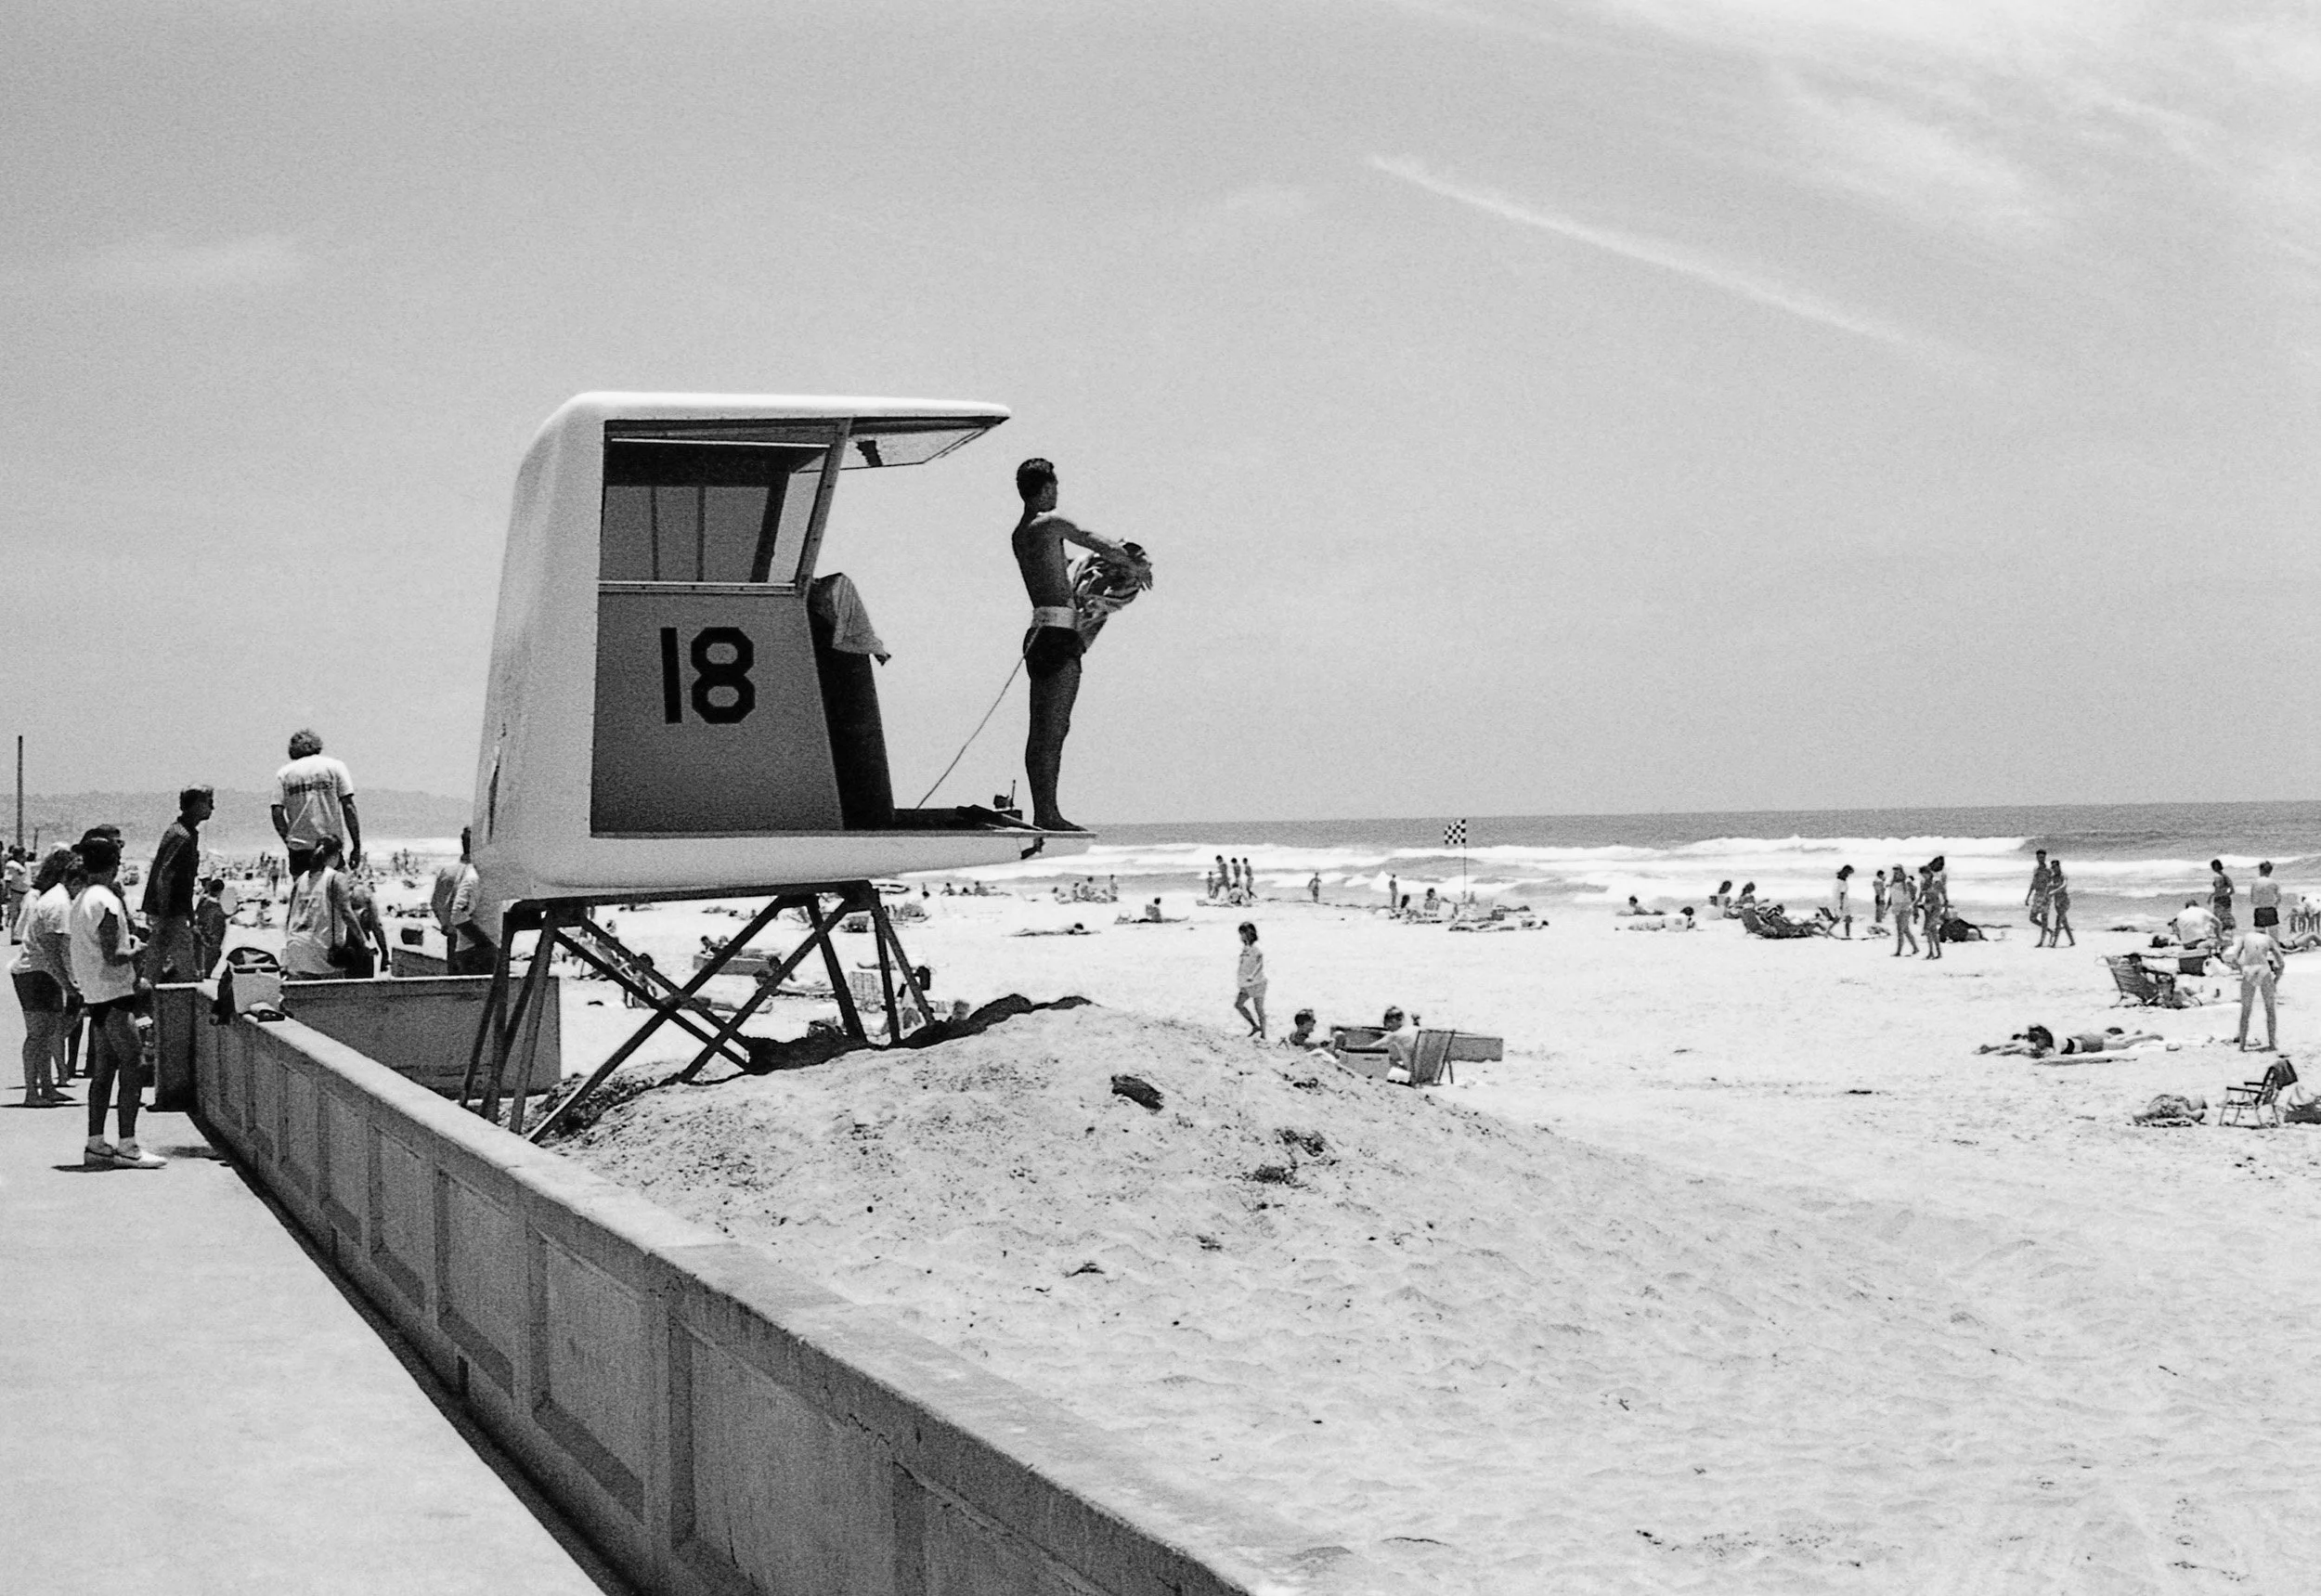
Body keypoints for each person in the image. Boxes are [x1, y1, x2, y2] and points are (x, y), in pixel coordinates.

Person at [1009, 458, 1149, 833]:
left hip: (1044, 632)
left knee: (1046, 728)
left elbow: (1060, 570)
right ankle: (1047, 814)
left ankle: (1046, 811)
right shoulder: (1049, 522)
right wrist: (1136, 564)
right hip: (1055, 636)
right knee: (1052, 730)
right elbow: (1096, 541)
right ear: (1048, 487)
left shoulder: (1022, 532)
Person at [67, 837, 163, 1168]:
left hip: (96, 996)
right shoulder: (105, 901)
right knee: (134, 1066)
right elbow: (114, 955)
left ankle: (96, 1143)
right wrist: (139, 950)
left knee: (104, 1071)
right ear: (113, 863)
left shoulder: (82, 898)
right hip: (114, 995)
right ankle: (128, 1145)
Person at [11, 848, 79, 1106]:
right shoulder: (58, 903)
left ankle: (47, 1087)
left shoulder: (56, 898)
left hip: (42, 974)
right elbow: (52, 949)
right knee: (38, 1034)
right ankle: (32, 1092)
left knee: (49, 1032)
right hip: (37, 974)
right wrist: (68, 984)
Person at [140, 784, 214, 984]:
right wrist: (164, 918)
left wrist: (191, 918)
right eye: (208, 802)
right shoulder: (181, 836)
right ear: (197, 804)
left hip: (173, 912)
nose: (212, 808)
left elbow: (184, 883)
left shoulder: (184, 832)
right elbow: (166, 876)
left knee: (154, 968)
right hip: (169, 914)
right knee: (187, 972)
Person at [271, 729, 362, 877]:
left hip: (300, 848)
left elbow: (276, 812)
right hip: (330, 845)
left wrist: (288, 840)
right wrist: (356, 845)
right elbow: (349, 806)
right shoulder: (335, 766)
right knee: (335, 893)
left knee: (303, 895)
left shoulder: (285, 773)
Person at [281, 837, 357, 979]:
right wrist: (365, 942)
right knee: (330, 996)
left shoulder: (301, 879)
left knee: (303, 995)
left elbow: (290, 915)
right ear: (337, 854)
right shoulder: (336, 878)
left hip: (295, 943)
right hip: (322, 948)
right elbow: (346, 913)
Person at [2226, 922, 2284, 1051]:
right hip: (2264, 968)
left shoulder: (2246, 937)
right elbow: (2281, 962)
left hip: (2248, 969)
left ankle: (2241, 1046)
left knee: (2246, 1011)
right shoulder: (2269, 939)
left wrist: (2242, 970)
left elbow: (2234, 958)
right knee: (2270, 1009)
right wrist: (2276, 980)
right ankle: (2272, 1043)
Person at [1233, 921, 1267, 1039]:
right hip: (1245, 984)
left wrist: (1252, 975)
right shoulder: (1245, 947)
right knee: (1238, 1004)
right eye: (1241, 933)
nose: (1242, 936)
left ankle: (1263, 1034)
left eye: (1244, 933)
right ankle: (1254, 1026)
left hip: (1257, 983)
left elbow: (1259, 963)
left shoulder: (1256, 946)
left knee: (1259, 1009)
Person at [192, 876, 228, 978]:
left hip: (202, 935)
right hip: (213, 937)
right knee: (212, 954)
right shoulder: (216, 908)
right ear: (220, 891)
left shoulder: (204, 902)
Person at [1889, 862, 1919, 956]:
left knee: (1900, 929)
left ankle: (1898, 951)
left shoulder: (1906, 881)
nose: (1896, 872)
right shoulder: (1893, 882)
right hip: (1896, 907)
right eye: (1894, 870)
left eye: (1897, 870)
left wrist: (1913, 905)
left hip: (1905, 907)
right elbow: (1891, 896)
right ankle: (1915, 948)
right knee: (1905, 929)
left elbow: (1914, 892)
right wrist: (1886, 907)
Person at [2025, 850, 2053, 941]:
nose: (2041, 859)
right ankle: (2050, 931)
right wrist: (2028, 897)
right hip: (2037, 895)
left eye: (2043, 857)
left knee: (2044, 919)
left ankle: (2042, 941)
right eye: (2039, 857)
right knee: (2032, 918)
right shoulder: (2036, 869)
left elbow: (2052, 884)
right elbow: (2033, 883)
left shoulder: (2048, 870)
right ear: (2036, 858)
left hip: (2045, 896)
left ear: (2045, 857)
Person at [2046, 859, 2075, 948]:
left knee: (2058, 920)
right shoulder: (2053, 877)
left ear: (2058, 866)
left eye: (2054, 867)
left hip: (2064, 901)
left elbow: (2064, 886)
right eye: (2052, 867)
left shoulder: (2063, 876)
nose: (2053, 868)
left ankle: (2054, 943)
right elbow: (2050, 886)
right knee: (2064, 922)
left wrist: (2054, 891)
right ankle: (2072, 941)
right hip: (2057, 902)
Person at [2251, 862, 2283, 934]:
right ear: (2270, 871)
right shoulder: (2274, 882)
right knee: (2273, 933)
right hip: (2271, 909)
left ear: (2260, 870)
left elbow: (2253, 899)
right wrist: (2275, 906)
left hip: (2259, 909)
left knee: (2260, 934)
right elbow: (2279, 897)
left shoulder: (2255, 882)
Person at [4, 847, 27, 941]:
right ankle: (15, 936)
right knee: (15, 915)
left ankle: (22, 935)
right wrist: (8, 893)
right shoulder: (11, 865)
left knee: (23, 914)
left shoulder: (21, 865)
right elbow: (8, 879)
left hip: (24, 892)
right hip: (15, 892)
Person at [2211, 860, 2237, 938]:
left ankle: (2223, 936)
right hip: (2219, 899)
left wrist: (2224, 895)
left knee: (2222, 918)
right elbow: (2218, 890)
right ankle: (2221, 936)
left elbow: (2232, 890)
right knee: (2220, 918)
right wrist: (2212, 896)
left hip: (2222, 900)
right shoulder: (2219, 877)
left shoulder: (2224, 877)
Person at [1831, 864, 1855, 940]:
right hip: (1843, 902)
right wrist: (1841, 904)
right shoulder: (1843, 881)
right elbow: (1842, 894)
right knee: (1846, 919)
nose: (1849, 875)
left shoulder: (1838, 880)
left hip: (1839, 900)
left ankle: (1828, 930)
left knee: (1840, 918)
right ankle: (1847, 935)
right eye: (1849, 873)